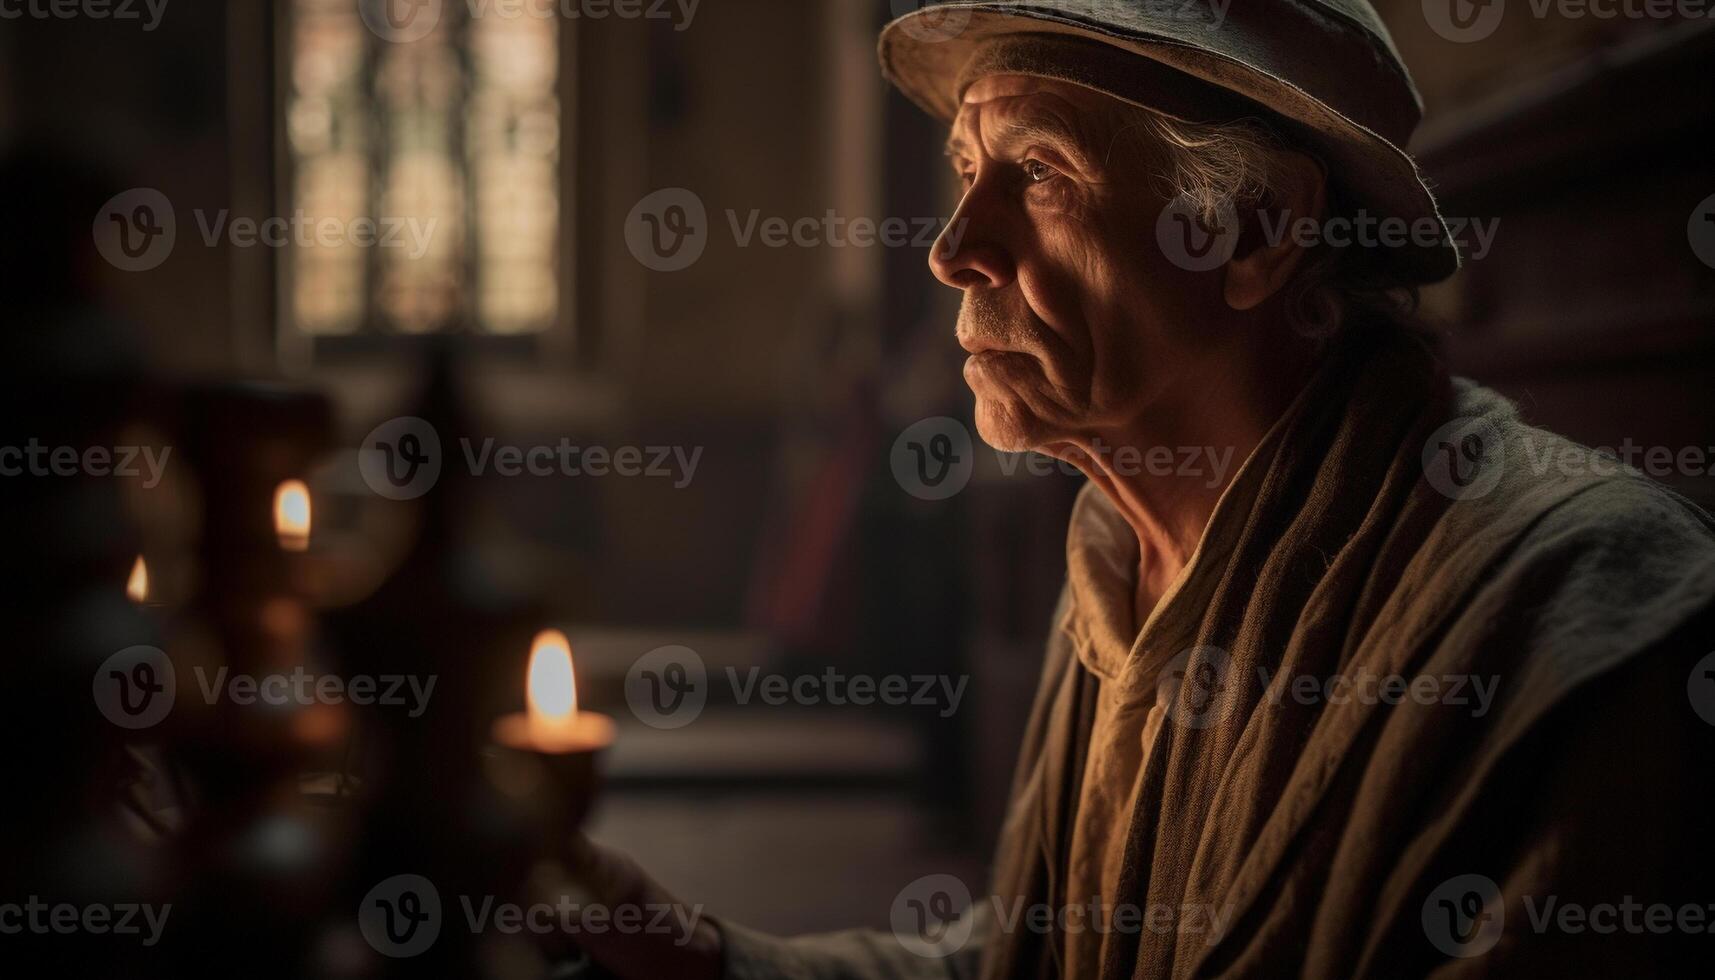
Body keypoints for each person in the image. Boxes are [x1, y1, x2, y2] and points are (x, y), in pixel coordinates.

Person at [568, 3, 1715, 976]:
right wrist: (698, 954)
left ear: (1257, 229)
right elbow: (1024, 958)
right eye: (968, 174)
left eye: (1036, 171)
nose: (953, 246)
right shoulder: (1122, 557)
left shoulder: (1582, 618)